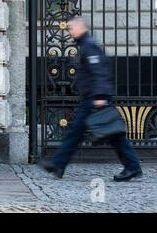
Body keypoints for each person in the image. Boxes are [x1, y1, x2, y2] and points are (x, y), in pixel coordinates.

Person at [38, 16, 143, 182]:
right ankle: (58, 165)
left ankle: (133, 167)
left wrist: (100, 96)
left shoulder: (89, 46)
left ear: (81, 27)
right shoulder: (85, 45)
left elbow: (99, 71)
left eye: (72, 28)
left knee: (111, 134)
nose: (70, 31)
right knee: (80, 133)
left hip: (95, 99)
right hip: (91, 97)